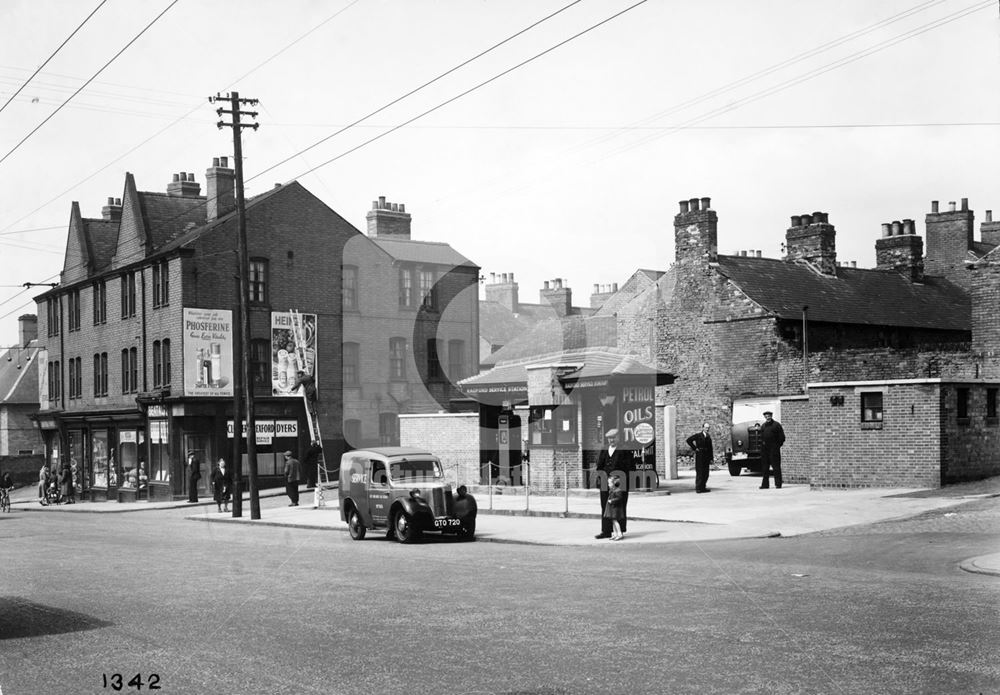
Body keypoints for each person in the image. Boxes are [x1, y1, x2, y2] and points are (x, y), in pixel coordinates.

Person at [595, 429, 631, 539]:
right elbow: (600, 466)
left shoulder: (624, 450)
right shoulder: (604, 449)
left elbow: (630, 467)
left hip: (619, 483)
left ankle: (620, 531)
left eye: (614, 438)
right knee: (605, 506)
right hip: (606, 483)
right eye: (609, 438)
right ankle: (606, 531)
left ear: (618, 437)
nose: (611, 440)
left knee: (619, 506)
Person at [759, 410, 786, 489]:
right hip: (765, 450)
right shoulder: (763, 426)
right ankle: (765, 485)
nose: (767, 417)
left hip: (774, 449)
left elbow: (782, 437)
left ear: (771, 416)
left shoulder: (776, 425)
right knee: (765, 468)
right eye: (766, 416)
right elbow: (761, 438)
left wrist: (777, 446)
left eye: (769, 416)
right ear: (765, 417)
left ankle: (778, 484)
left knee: (776, 467)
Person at [686, 422, 714, 493]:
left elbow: (710, 448)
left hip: (706, 456)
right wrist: (695, 448)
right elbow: (689, 440)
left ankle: (703, 487)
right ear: (703, 428)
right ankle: (698, 488)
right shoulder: (698, 435)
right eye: (706, 427)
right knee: (700, 472)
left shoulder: (708, 437)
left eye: (708, 428)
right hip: (700, 455)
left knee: (706, 473)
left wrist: (711, 458)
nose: (707, 429)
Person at [604, 476, 626, 540]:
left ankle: (619, 534)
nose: (608, 485)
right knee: (613, 521)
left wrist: (612, 500)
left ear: (614, 484)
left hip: (615, 508)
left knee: (615, 521)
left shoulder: (618, 490)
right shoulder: (612, 490)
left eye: (609, 483)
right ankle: (615, 533)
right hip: (612, 508)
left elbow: (619, 498)